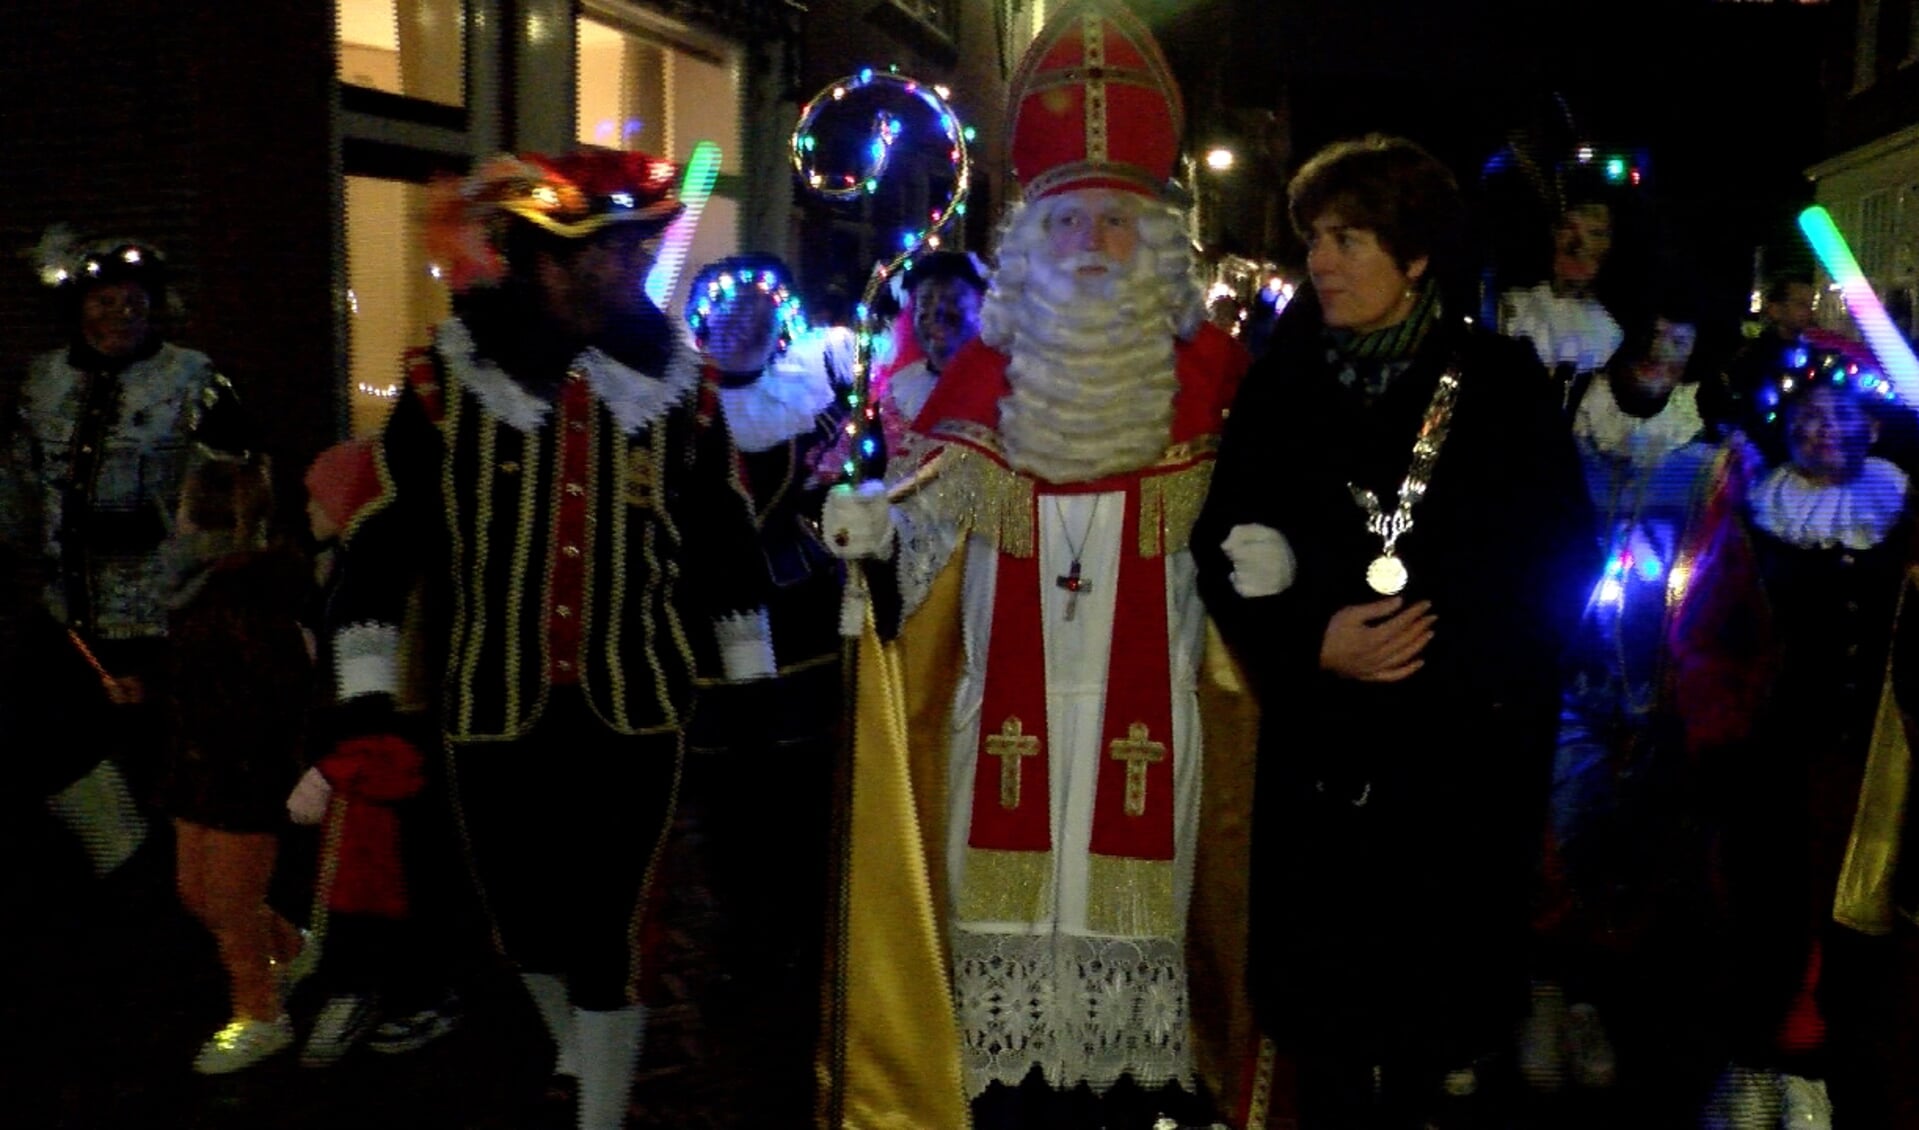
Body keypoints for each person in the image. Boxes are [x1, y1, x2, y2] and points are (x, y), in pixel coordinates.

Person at [823, 3, 1254, 1124]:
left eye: (1115, 226)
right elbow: (913, 580)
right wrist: (872, 541)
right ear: (1029, 246)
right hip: (999, 736)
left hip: (1150, 727)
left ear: (1154, 242)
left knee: (1131, 1008)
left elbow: (1254, 551)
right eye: (1066, 226)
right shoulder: (976, 385)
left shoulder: (1216, 387)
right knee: (1003, 1003)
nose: (1088, 250)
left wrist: (1274, 559)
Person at [324, 149, 775, 1130]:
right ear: (526, 256)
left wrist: (751, 676)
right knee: (520, 921)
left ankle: (599, 1108)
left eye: (625, 253)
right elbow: (383, 535)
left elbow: (721, 534)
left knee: (608, 925)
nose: (608, 274)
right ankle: (575, 1038)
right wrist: (363, 689)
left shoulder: (679, 386)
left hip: (636, 703)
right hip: (490, 699)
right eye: (581, 257)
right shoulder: (448, 380)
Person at [1191, 134, 1594, 1128]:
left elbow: (1557, 561)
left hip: (1452, 771)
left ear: (1414, 257)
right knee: (1323, 1039)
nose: (1317, 260)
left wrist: (1438, 660)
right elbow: (1220, 540)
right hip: (1321, 760)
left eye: (1346, 238)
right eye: (1312, 239)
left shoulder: (1497, 384)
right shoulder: (1282, 380)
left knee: (1433, 1043)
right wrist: (1310, 637)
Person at [1670, 348, 1917, 1129]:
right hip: (1769, 755)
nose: (1826, 429)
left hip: (1875, 760)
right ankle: (1756, 1064)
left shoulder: (1905, 513)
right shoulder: (1751, 514)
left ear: (1869, 428)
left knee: (1853, 919)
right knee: (1762, 908)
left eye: (1842, 415)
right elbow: (1703, 636)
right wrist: (1723, 732)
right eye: (1810, 416)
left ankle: (1823, 1071)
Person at [10, 228, 247, 883]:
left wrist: (176, 555)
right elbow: (19, 482)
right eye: (104, 300)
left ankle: (168, 891)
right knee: (43, 744)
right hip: (66, 615)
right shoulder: (42, 380)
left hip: (164, 618)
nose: (120, 313)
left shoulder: (198, 379)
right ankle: (119, 866)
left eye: (132, 299)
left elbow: (238, 491)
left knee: (160, 762)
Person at [1523, 301, 1718, 1093]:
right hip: (1565, 670)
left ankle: (1590, 1001)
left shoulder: (1704, 455)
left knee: (1624, 849)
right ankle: (1542, 990)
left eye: (1680, 346)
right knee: (1558, 834)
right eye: (1653, 342)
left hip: (1652, 680)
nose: (1662, 360)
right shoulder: (1568, 435)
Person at [677, 253, 851, 1122]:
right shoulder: (679, 407)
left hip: (802, 624)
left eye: (755, 308)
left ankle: (796, 943)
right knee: (723, 803)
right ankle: (741, 939)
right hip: (710, 625)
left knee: (798, 795)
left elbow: (850, 489)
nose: (741, 322)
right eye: (726, 309)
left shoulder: (811, 399)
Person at [285, 438, 459, 1068]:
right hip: (358, 754)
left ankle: (414, 993)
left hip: (383, 760)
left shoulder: (385, 578)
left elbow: (392, 690)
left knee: (393, 886)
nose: (307, 508)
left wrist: (347, 761)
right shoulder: (342, 565)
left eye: (319, 495)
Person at [159, 453, 312, 1073]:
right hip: (200, 764)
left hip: (236, 770)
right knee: (200, 893)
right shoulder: (206, 584)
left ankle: (259, 1014)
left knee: (228, 899)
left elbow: (271, 688)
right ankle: (295, 949)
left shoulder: (242, 589)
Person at [1499, 186, 1624, 416]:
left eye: (1595, 233)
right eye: (1569, 227)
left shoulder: (1610, 334)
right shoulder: (1512, 305)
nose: (1578, 244)